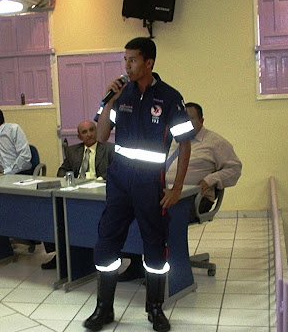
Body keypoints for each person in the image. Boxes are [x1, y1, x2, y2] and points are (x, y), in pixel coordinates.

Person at [83, 37, 194, 332]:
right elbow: (103, 135)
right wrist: (109, 101)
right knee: (107, 242)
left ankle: (155, 309)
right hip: (119, 181)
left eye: (132, 60)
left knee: (155, 247)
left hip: (150, 182)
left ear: (149, 63)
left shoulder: (170, 98)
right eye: (125, 60)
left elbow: (185, 145)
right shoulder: (122, 94)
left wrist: (177, 188)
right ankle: (103, 308)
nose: (127, 66)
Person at [117, 102, 243, 283]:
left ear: (201, 120)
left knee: (155, 217)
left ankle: (165, 268)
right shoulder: (170, 140)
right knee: (127, 211)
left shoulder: (215, 142)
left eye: (190, 118)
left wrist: (210, 180)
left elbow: (234, 168)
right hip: (160, 194)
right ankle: (136, 264)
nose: (185, 123)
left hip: (194, 199)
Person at [41, 120, 114, 270]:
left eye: (92, 130)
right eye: (85, 132)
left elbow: (114, 170)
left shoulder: (109, 149)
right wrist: (69, 179)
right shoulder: (72, 151)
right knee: (54, 213)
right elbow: (62, 170)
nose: (89, 134)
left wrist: (99, 179)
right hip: (76, 192)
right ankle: (61, 254)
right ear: (79, 136)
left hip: (99, 195)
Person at [0, 106, 31, 174]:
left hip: (20, 173)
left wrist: (6, 172)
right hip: (1, 175)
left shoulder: (13, 130)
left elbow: (25, 157)